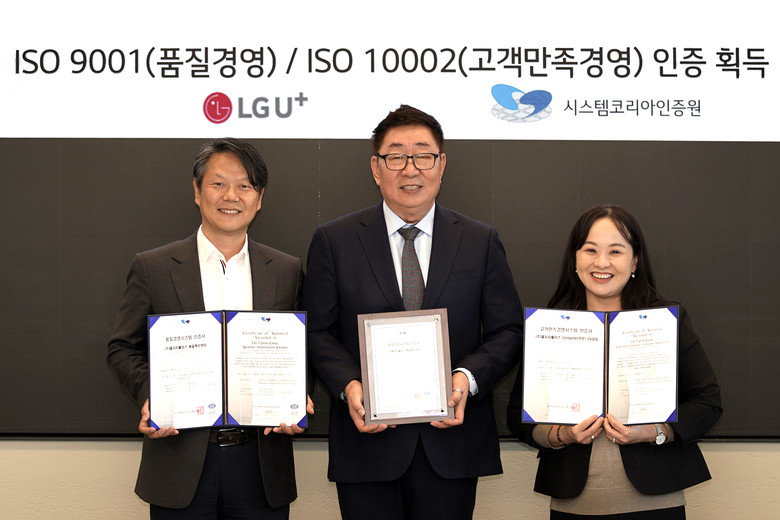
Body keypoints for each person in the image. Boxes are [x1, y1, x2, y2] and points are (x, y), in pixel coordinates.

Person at [301, 104, 524, 519]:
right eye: (396, 157)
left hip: (451, 447)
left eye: (423, 155)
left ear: (441, 165)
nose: (410, 169)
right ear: (376, 167)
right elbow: (316, 331)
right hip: (367, 445)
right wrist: (350, 385)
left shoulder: (480, 240)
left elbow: (508, 330)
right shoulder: (335, 240)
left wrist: (466, 379)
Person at [107, 138, 312, 519]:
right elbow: (122, 347)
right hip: (179, 460)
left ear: (260, 198)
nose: (231, 196)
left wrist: (299, 395)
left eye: (245, 185)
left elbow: (302, 350)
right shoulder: (153, 267)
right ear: (197, 192)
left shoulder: (286, 270)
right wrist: (152, 396)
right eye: (218, 184)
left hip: (260, 465)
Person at [507, 204, 722, 519]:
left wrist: (654, 431)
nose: (602, 262)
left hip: (657, 504)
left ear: (634, 261)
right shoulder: (549, 327)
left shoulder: (665, 322)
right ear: (575, 259)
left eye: (616, 251)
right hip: (573, 505)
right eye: (590, 250)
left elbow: (707, 402)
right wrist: (561, 436)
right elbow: (519, 417)